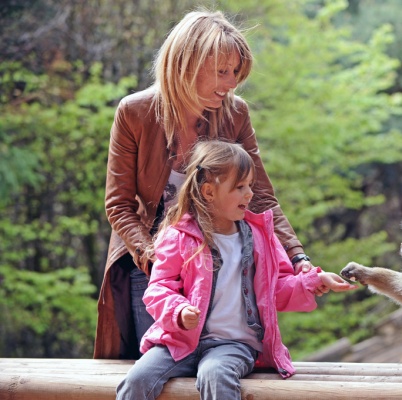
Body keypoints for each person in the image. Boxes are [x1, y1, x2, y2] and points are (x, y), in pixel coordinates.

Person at [95, 10, 323, 360]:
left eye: (236, 73)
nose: (231, 83)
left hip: (225, 260)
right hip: (154, 267)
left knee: (221, 365)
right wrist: (153, 258)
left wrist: (297, 257)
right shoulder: (134, 112)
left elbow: (260, 196)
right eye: (222, 71)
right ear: (186, 64)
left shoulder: (235, 113)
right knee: (162, 368)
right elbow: (119, 205)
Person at [115, 141, 357, 400]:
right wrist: (179, 310)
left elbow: (275, 289)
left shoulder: (261, 238)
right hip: (179, 342)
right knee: (136, 380)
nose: (249, 194)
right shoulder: (178, 236)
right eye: (240, 187)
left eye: (250, 185)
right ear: (208, 191)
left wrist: (312, 280)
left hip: (234, 344)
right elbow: (159, 288)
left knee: (216, 375)